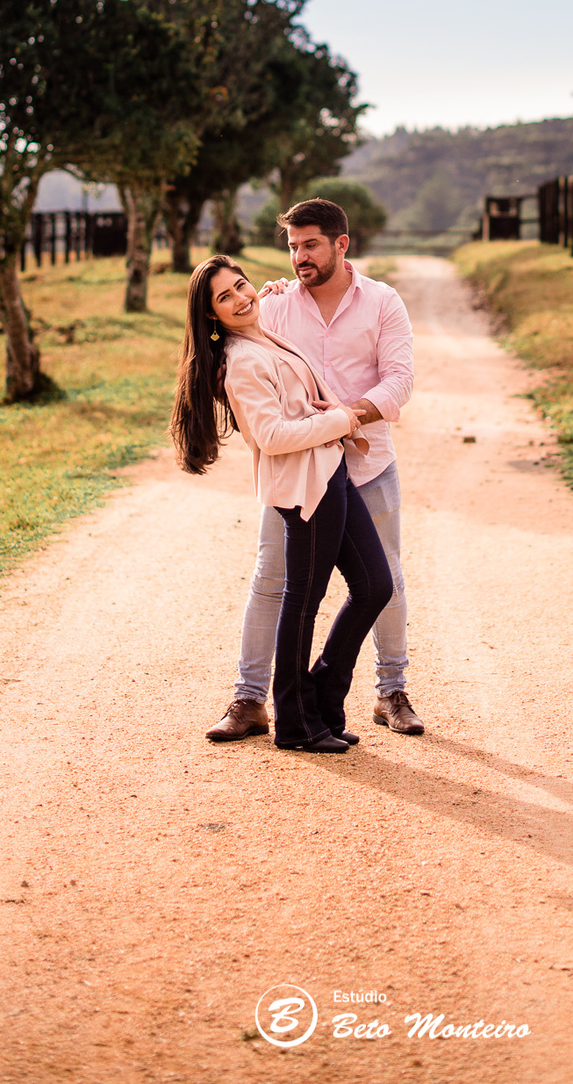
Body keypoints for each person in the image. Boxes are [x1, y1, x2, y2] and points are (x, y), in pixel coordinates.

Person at [205, 197, 424, 743]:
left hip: (367, 463)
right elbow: (248, 365)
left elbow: (399, 381)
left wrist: (353, 414)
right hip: (301, 474)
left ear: (340, 244)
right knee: (273, 582)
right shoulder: (275, 306)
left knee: (384, 579)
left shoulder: (382, 302)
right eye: (292, 247)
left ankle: (390, 691)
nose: (299, 257)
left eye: (310, 245)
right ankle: (250, 699)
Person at [170, 252, 392, 752]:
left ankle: (323, 703)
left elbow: (267, 306)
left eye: (241, 285)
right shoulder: (243, 361)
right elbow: (270, 436)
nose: (240, 299)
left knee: (375, 585)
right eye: (225, 298)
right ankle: (295, 723)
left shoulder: (261, 332)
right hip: (303, 487)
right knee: (303, 601)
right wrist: (341, 419)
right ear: (211, 316)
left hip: (328, 471)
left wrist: (267, 293)